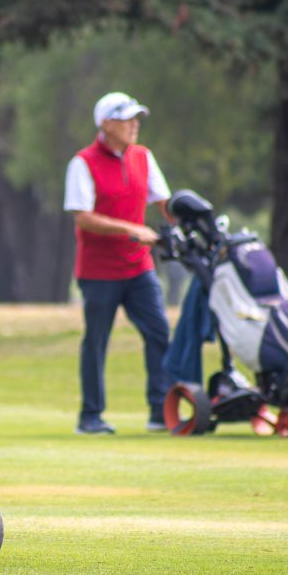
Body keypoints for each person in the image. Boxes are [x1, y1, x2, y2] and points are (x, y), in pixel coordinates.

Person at [63, 92, 175, 435]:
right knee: (97, 341)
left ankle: (161, 411)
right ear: (107, 124)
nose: (134, 125)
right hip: (99, 272)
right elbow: (83, 218)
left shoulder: (143, 157)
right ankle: (90, 417)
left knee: (159, 332)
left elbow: (164, 203)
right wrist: (131, 229)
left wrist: (182, 227)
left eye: (136, 118)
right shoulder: (82, 162)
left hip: (139, 268)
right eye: (127, 119)